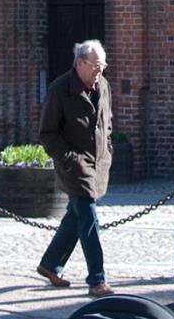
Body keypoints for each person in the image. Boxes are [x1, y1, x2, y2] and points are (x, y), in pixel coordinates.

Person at [35, 38, 114, 298]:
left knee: (75, 217)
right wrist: (69, 159)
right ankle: (97, 279)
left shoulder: (103, 85)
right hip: (75, 167)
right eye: (95, 66)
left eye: (102, 66)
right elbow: (48, 133)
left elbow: (107, 122)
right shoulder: (60, 89)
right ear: (80, 63)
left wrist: (108, 150)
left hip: (97, 164)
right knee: (89, 219)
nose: (99, 71)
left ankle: (50, 264)